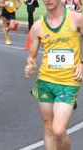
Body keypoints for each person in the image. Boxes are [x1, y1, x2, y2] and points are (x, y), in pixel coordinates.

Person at [25, 0, 83, 150]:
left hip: (69, 82)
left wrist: (81, 63)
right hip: (45, 81)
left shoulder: (76, 19)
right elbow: (32, 56)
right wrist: (30, 64)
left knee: (58, 130)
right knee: (49, 128)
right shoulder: (37, 26)